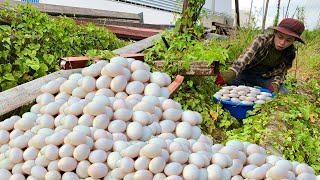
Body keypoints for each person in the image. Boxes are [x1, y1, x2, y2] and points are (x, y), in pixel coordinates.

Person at [215, 18, 305, 93]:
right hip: (247, 73)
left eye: (288, 40)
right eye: (280, 37)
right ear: (275, 33)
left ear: (294, 40)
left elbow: (281, 72)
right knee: (228, 85)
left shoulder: (290, 53)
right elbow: (246, 56)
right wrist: (232, 72)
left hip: (265, 77)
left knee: (283, 93)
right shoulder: (262, 40)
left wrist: (275, 84)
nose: (282, 43)